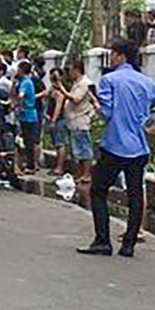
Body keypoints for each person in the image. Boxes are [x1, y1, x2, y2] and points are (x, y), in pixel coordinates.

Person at [78, 40, 155, 258]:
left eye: (113, 55)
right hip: (139, 146)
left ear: (121, 56)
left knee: (98, 190)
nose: (111, 59)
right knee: (135, 194)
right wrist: (154, 124)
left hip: (114, 144)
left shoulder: (109, 80)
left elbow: (108, 113)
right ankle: (129, 243)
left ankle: (102, 240)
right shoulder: (146, 82)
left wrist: (96, 106)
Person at [55, 59, 97, 207]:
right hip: (73, 122)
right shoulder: (77, 83)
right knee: (77, 150)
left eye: (72, 70)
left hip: (80, 121)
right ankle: (80, 174)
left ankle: (86, 174)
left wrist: (62, 89)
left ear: (77, 70)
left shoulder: (84, 83)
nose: (70, 73)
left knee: (84, 149)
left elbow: (76, 99)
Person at [14, 60, 41, 173]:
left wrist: (17, 105)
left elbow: (21, 95)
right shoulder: (24, 81)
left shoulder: (26, 82)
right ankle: (29, 163)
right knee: (26, 140)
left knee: (29, 141)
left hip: (28, 115)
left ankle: (31, 165)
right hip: (26, 114)